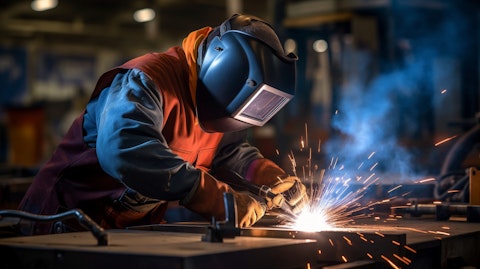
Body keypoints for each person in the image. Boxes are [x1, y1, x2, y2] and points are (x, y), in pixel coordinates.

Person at [18, 14, 308, 235]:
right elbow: (125, 150)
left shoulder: (215, 103)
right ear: (223, 69)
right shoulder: (146, 81)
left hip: (125, 235)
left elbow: (227, 152)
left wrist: (268, 177)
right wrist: (209, 194)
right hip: (59, 225)